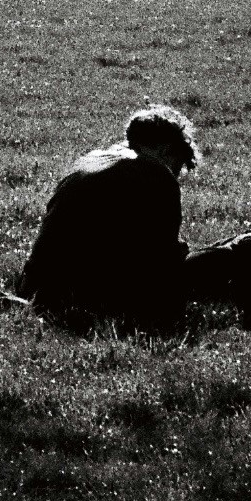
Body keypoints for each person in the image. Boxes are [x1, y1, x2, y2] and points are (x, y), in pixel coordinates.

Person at [20, 105, 201, 331]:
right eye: (177, 166)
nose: (174, 174)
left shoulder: (89, 160)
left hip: (34, 285)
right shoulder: (158, 175)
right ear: (167, 151)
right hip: (93, 299)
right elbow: (162, 258)